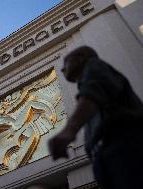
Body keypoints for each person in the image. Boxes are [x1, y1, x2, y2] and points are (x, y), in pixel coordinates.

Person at [48, 46, 143, 189]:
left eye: (65, 64)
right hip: (106, 157)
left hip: (123, 146)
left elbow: (94, 92)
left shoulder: (93, 65)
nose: (61, 70)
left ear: (81, 57)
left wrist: (68, 132)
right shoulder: (87, 84)